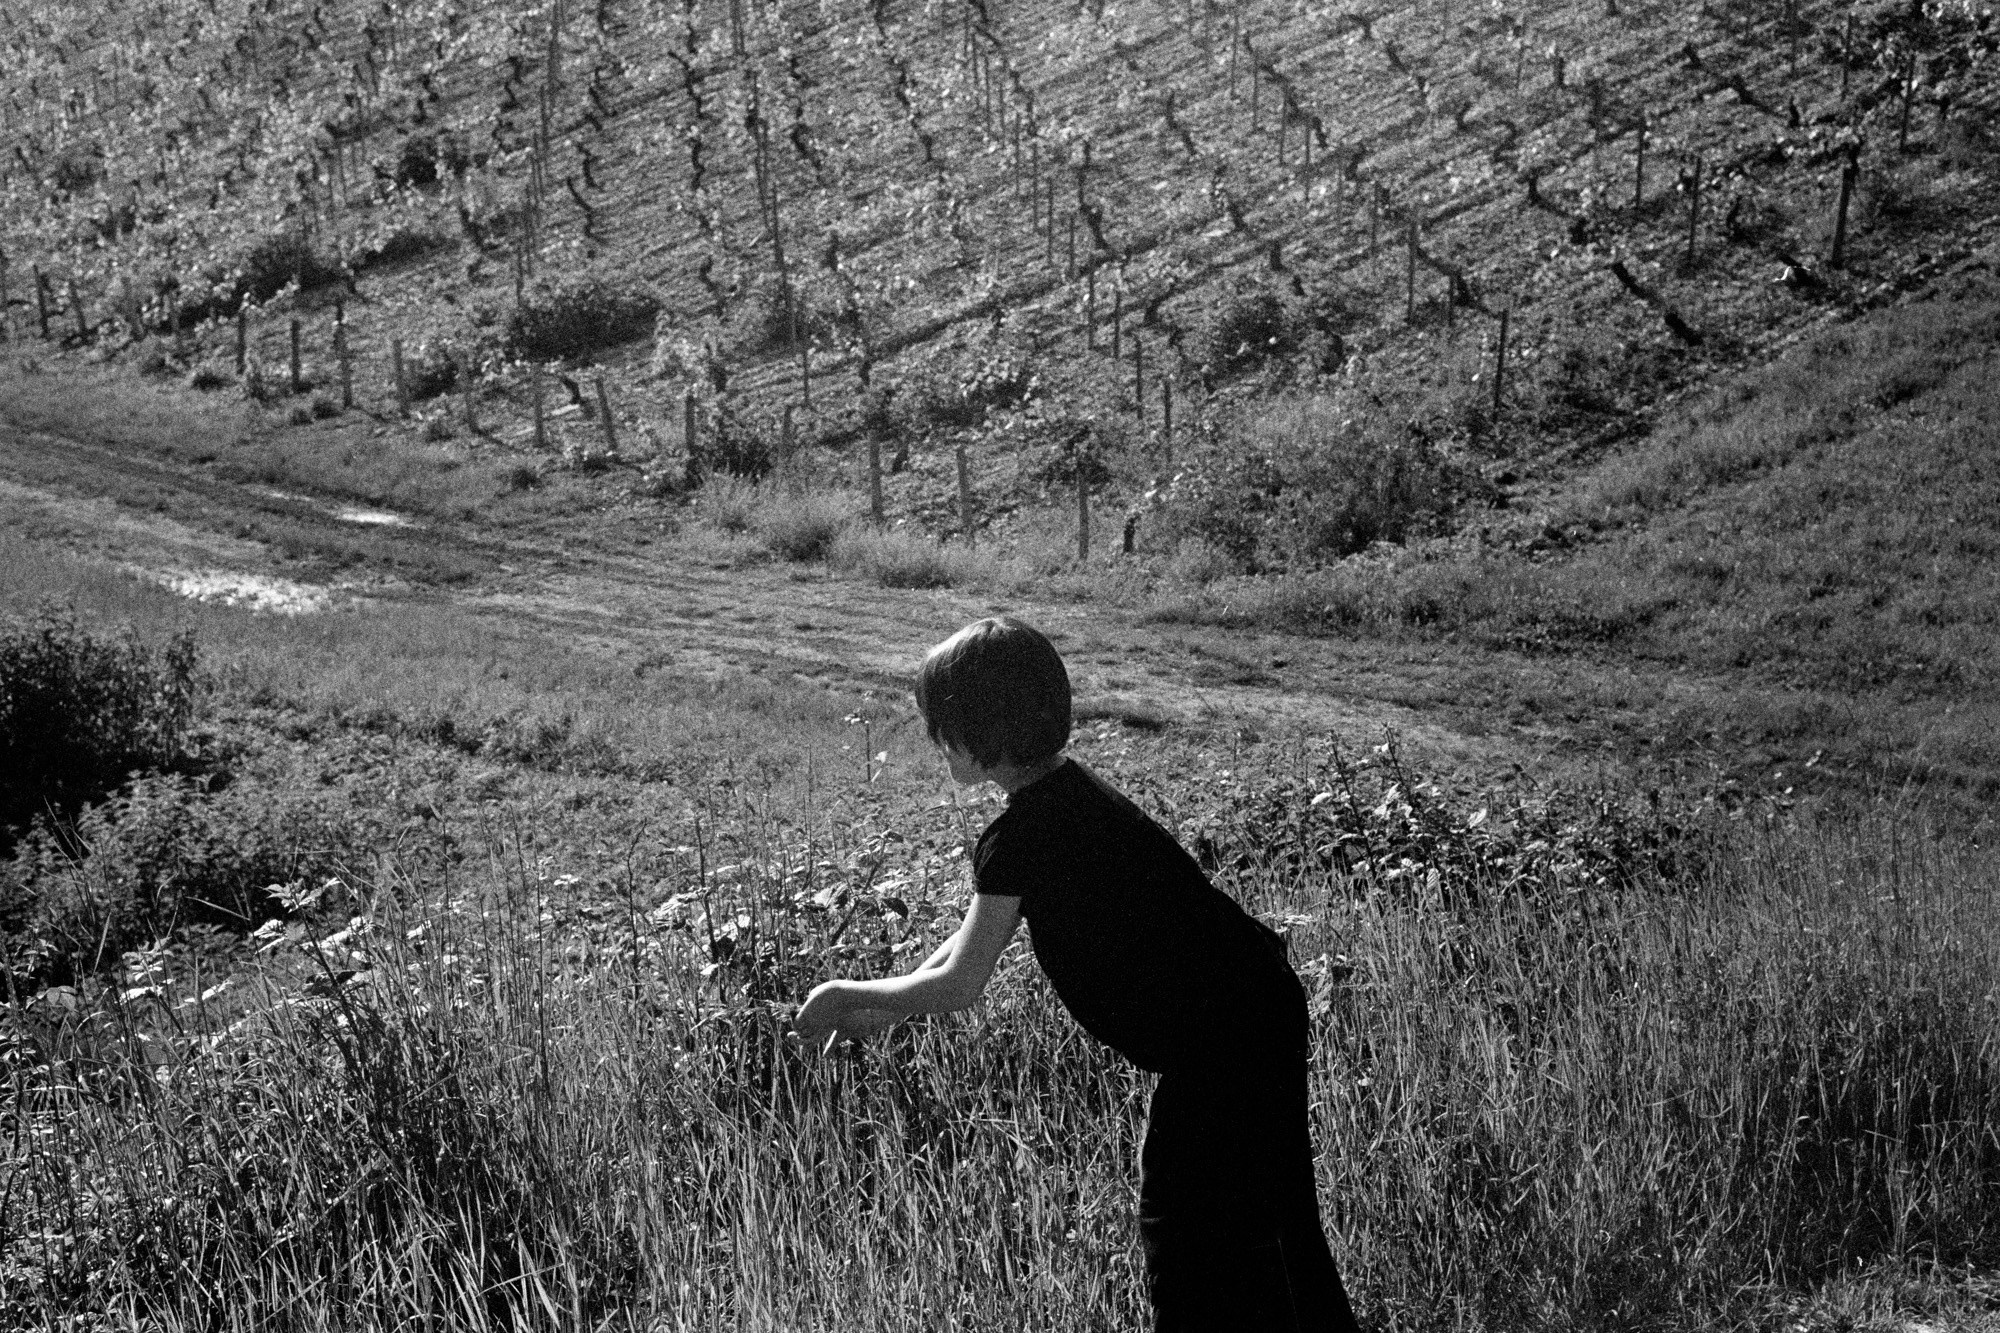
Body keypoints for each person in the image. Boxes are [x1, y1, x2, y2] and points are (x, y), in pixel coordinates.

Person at [792, 616, 1361, 1333]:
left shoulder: (1020, 836)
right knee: (1274, 1220)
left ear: (981, 731)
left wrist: (846, 995)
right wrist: (889, 1003)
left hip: (1220, 1042)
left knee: (1184, 1230)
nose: (935, 740)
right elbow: (969, 944)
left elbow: (962, 983)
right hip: (1255, 1005)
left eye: (942, 725)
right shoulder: (1067, 796)